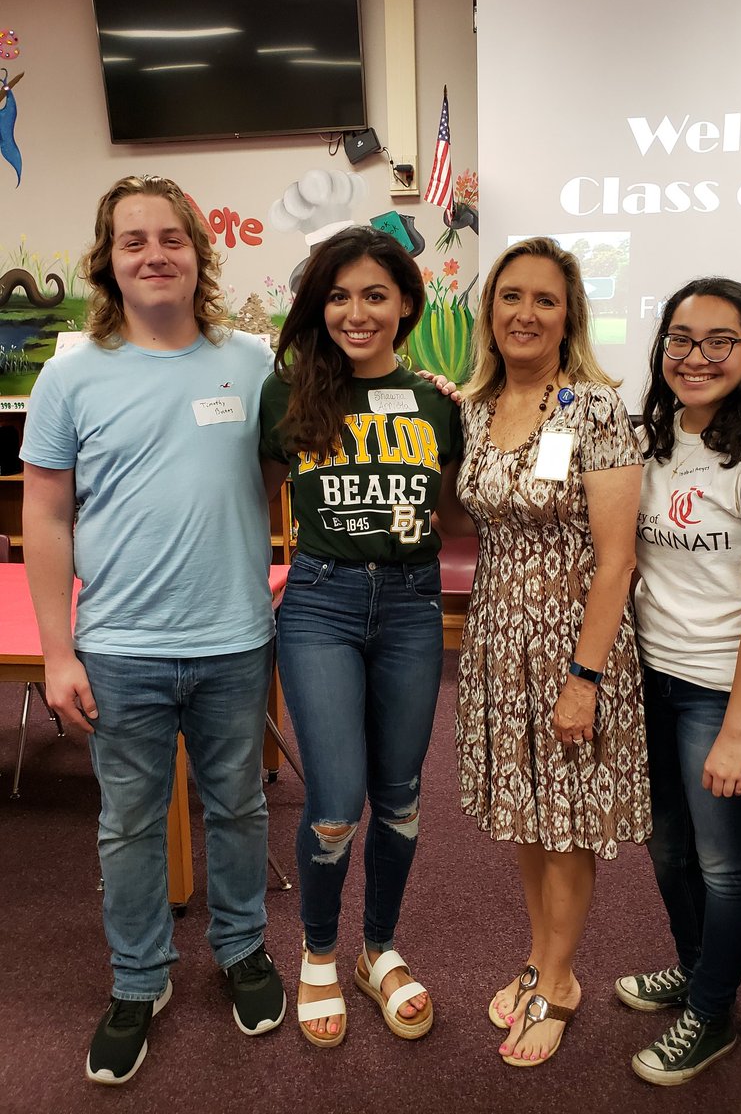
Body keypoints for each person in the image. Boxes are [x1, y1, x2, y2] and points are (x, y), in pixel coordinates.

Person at [21, 174, 285, 1086]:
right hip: (121, 647)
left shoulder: (252, 362)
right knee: (128, 825)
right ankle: (138, 981)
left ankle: (243, 948)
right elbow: (46, 519)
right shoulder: (70, 373)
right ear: (108, 261)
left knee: (241, 808)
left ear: (197, 254)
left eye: (170, 238)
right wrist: (59, 651)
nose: (153, 254)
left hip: (233, 639)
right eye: (133, 241)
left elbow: (291, 467)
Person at [258, 225, 463, 1047]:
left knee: (404, 800)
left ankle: (378, 950)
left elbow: (455, 515)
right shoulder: (288, 395)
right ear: (318, 306)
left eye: (375, 294)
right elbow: (250, 499)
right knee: (338, 804)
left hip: (414, 606)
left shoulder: (437, 401)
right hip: (319, 604)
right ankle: (317, 953)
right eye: (338, 296)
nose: (356, 311)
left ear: (406, 304)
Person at [451, 236, 651, 1067]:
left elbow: (618, 559)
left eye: (544, 299)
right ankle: (542, 958)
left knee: (566, 822)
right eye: (510, 297)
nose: (524, 313)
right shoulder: (474, 404)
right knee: (528, 815)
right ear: (489, 311)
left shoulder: (595, 410)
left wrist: (584, 678)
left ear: (569, 315)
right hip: (498, 642)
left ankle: (559, 981)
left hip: (574, 645)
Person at [615, 276, 741, 1085]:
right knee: (669, 851)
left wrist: (740, 727)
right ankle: (698, 973)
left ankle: (713, 1011)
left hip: (729, 693)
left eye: (718, 341)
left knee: (726, 863)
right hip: (656, 679)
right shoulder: (658, 438)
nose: (695, 357)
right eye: (679, 339)